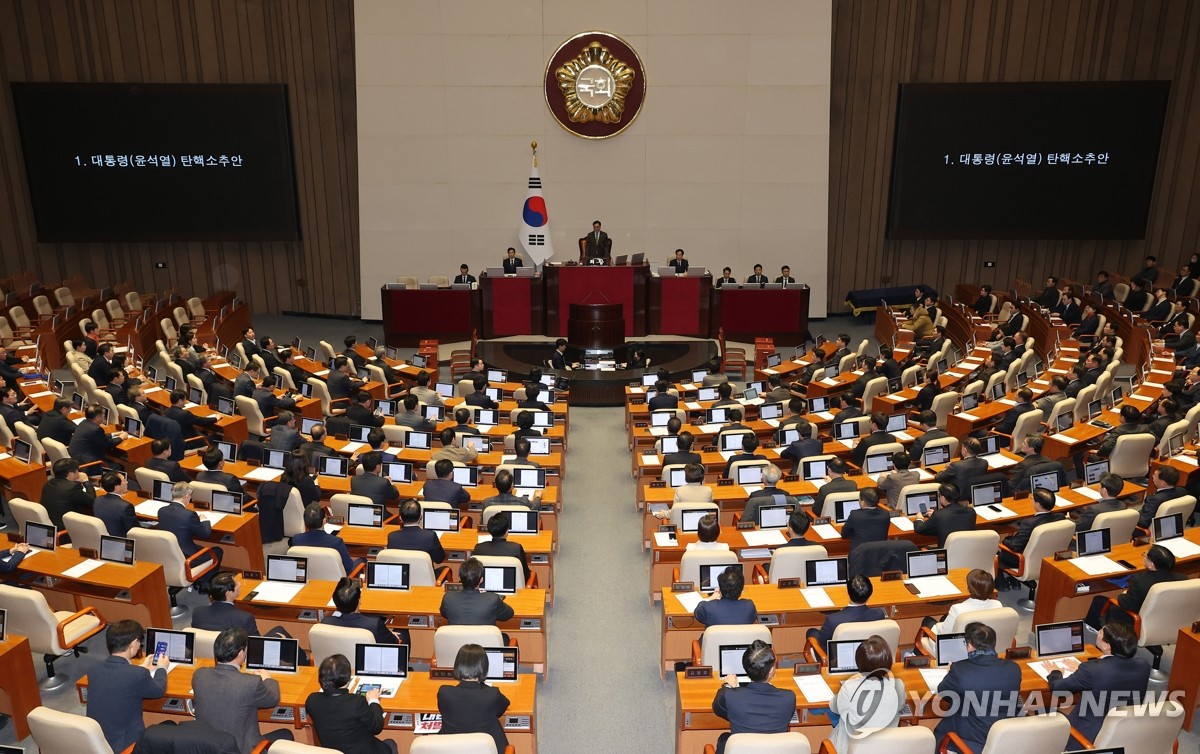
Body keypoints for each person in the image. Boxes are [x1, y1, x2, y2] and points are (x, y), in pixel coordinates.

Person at [192, 628, 293, 754]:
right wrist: (268, 679)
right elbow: (273, 698)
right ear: (240, 654)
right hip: (241, 750)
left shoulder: (199, 675)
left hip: (207, 748)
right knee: (286, 734)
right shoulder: (250, 683)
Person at [1046, 619, 1151, 741]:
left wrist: (1055, 672)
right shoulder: (1144, 666)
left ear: (1106, 645)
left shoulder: (1092, 670)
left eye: (1100, 632)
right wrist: (1091, 668)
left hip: (1086, 736)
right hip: (1122, 732)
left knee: (1044, 711)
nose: (1098, 633)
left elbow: (1058, 689)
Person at [933, 622, 1022, 753]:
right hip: (1004, 738)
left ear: (969, 646)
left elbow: (944, 693)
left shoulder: (959, 670)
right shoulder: (1014, 668)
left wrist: (950, 674)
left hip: (970, 741)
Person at [85, 619, 169, 752]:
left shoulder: (93, 669)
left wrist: (142, 668)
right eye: (139, 641)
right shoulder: (137, 675)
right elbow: (158, 690)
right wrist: (162, 668)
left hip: (98, 743)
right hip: (127, 746)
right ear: (133, 643)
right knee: (169, 727)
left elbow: (118, 679)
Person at [710, 640, 795, 754]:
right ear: (771, 671)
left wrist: (730, 687)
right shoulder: (788, 698)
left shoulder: (731, 697)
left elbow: (717, 708)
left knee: (724, 739)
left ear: (745, 668)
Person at [305, 654, 396, 754]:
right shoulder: (356, 702)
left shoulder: (312, 701)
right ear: (348, 679)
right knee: (390, 744)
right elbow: (376, 727)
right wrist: (373, 701)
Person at [827, 635, 905, 751]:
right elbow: (901, 706)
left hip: (851, 748)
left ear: (859, 663)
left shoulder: (850, 687)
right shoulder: (898, 686)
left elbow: (834, 707)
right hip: (886, 749)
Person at [1086, 544, 1187, 628]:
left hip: (1137, 619)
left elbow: (1125, 604)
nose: (1143, 557)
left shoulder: (1140, 581)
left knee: (1099, 601)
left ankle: (1094, 633)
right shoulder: (1183, 579)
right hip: (1167, 619)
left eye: (1145, 556)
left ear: (1151, 564)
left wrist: (1124, 594)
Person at [437, 644, 511, 751]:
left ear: (457, 665)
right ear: (484, 667)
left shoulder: (444, 692)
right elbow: (503, 706)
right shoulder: (492, 694)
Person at [157, 482, 222, 584]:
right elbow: (205, 534)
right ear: (187, 495)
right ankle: (205, 584)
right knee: (217, 551)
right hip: (188, 557)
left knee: (200, 547)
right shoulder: (189, 515)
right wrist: (204, 521)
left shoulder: (161, 511)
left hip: (171, 553)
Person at [807, 574, 887, 650]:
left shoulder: (833, 620)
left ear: (847, 592)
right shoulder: (879, 615)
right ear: (870, 595)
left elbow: (822, 642)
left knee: (811, 632)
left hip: (838, 657)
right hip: (868, 653)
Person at [998, 488, 1064, 571]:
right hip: (1050, 557)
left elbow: (1015, 547)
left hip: (1023, 560)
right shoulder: (1060, 517)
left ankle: (1003, 583)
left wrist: (1003, 541)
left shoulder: (1029, 523)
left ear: (1038, 504)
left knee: (996, 554)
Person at [321, 577, 399, 644]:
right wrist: (389, 634)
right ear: (359, 601)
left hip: (338, 661)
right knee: (403, 633)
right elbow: (394, 642)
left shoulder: (325, 623)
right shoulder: (374, 625)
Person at [440, 557, 515, 625]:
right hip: (485, 640)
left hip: (457, 640)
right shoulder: (492, 599)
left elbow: (444, 613)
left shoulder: (448, 598)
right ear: (481, 580)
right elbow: (509, 614)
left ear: (459, 577)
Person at [925, 569, 1001, 634]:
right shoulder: (998, 605)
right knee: (944, 618)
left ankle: (918, 651)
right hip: (984, 642)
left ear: (969, 588)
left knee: (928, 621)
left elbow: (943, 633)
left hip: (956, 646)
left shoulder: (957, 609)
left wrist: (938, 626)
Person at [291, 504, 358, 575]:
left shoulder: (296, 540)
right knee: (362, 560)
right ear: (324, 520)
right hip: (333, 582)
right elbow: (348, 568)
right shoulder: (336, 542)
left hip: (308, 580)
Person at [191, 572, 259, 634]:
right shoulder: (245, 618)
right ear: (228, 593)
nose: (239, 584)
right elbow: (256, 643)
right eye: (236, 584)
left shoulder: (198, 612)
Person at [385, 499, 446, 567]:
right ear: (420, 517)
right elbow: (439, 559)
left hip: (402, 576)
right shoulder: (430, 536)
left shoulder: (392, 537)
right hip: (424, 576)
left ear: (400, 518)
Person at [474, 512, 532, 582]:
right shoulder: (516, 549)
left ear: (489, 530)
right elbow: (525, 575)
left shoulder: (478, 549)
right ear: (507, 531)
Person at [914, 482, 976, 547]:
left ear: (943, 497)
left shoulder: (939, 515)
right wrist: (937, 515)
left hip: (947, 553)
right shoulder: (971, 511)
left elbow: (920, 529)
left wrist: (919, 518)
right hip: (967, 550)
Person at [41, 457, 96, 526]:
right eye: (77, 471)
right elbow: (92, 501)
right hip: (68, 529)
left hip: (52, 524)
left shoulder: (49, 483)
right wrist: (86, 481)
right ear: (71, 474)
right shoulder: (72, 488)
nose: (78, 473)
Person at [93, 471, 138, 536]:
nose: (127, 482)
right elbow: (135, 530)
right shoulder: (125, 507)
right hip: (121, 540)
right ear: (117, 487)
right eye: (124, 481)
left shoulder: (98, 500)